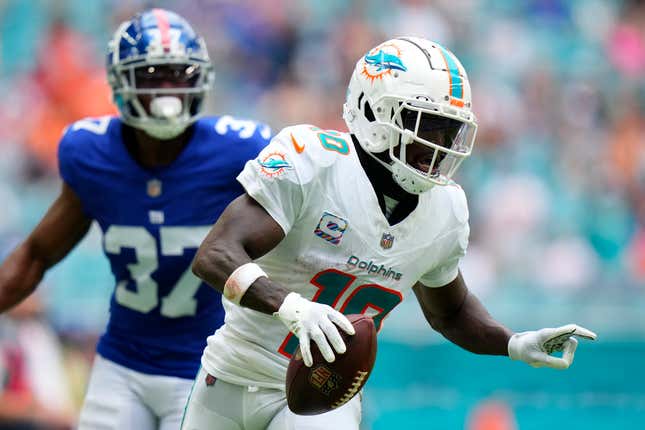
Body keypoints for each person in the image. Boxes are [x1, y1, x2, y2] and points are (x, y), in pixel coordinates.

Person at [181, 37, 597, 429]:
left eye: (448, 132)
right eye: (427, 126)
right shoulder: (315, 163)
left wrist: (513, 344)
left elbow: (449, 312)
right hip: (233, 373)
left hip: (325, 392)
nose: (440, 146)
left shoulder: (445, 210)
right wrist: (292, 307)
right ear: (373, 113)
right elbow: (216, 254)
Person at [0, 8, 271, 430]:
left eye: (178, 75)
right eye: (151, 75)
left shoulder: (238, 152)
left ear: (199, 79)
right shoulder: (91, 153)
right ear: (121, 82)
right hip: (122, 365)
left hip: (208, 366)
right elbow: (36, 255)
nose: (167, 90)